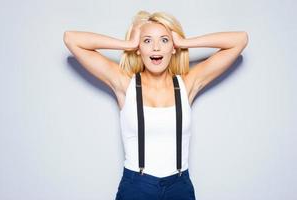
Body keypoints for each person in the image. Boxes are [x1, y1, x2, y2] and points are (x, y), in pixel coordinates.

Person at [63, 10, 248, 200]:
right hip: (136, 186)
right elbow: (71, 39)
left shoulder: (187, 84)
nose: (156, 48)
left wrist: (184, 43)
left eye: (165, 40)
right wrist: (127, 44)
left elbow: (240, 39)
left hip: (179, 186)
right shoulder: (125, 84)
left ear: (173, 47)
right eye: (147, 41)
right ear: (139, 48)